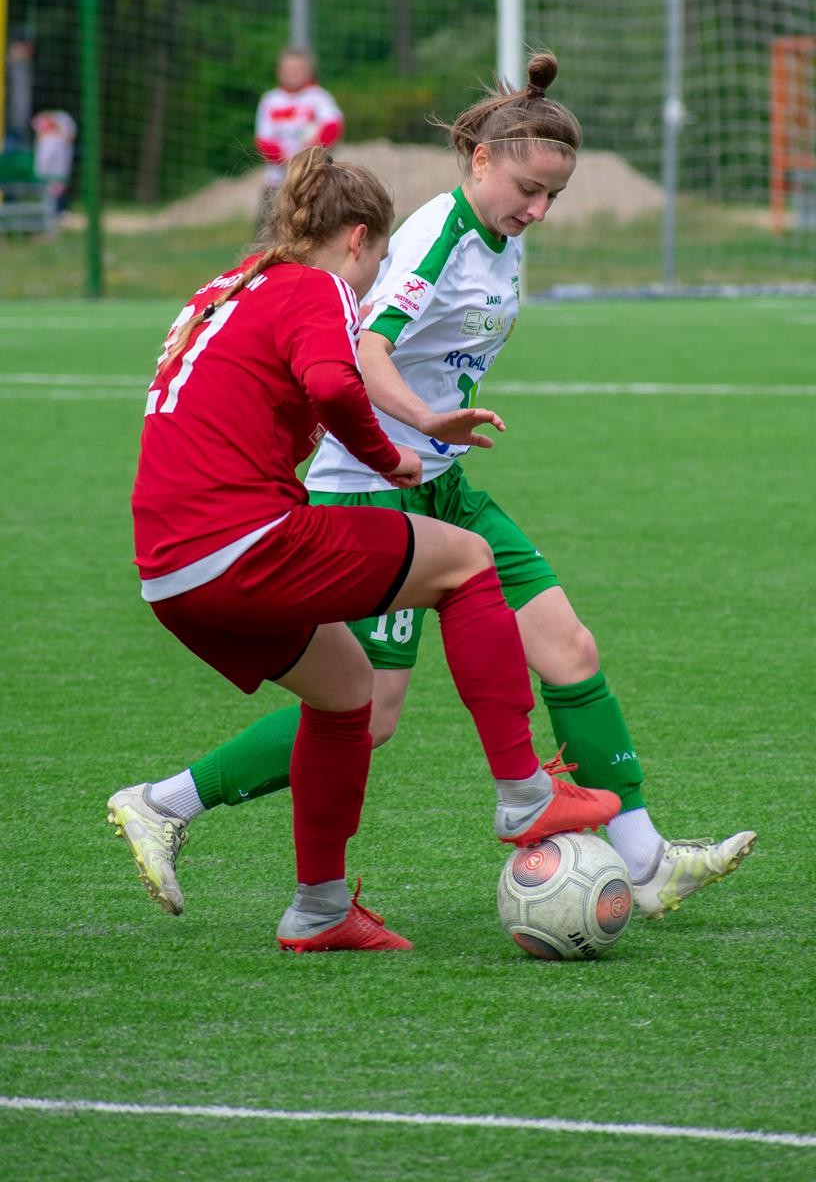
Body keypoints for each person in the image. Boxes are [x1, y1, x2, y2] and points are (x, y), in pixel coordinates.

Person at [110, 53, 756, 924]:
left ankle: (645, 863)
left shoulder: (504, 240)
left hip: (443, 483)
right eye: (528, 188)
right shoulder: (429, 237)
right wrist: (416, 429)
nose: (538, 209)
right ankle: (172, 800)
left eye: (554, 196)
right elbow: (363, 350)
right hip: (372, 485)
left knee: (570, 649)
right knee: (368, 711)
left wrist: (434, 440)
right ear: (480, 161)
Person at [108, 144, 619, 952]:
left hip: (170, 572)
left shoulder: (229, 286)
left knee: (349, 693)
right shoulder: (315, 286)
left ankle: (318, 909)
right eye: (378, 260)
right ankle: (524, 792)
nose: (375, 278)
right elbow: (333, 382)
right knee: (466, 562)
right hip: (243, 541)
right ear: (357, 239)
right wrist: (393, 456)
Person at [253, 46, 343, 227]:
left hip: (313, 180)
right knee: (269, 231)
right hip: (278, 181)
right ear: (279, 71)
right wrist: (287, 161)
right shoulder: (270, 100)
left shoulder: (319, 98)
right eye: (288, 69)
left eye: (298, 69)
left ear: (309, 71)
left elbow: (332, 128)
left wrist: (308, 155)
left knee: (316, 229)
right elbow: (263, 140)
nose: (292, 74)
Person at [31, 110, 77, 214]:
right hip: (47, 170)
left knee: (58, 187)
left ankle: (59, 210)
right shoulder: (45, 140)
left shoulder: (63, 124)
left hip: (57, 169)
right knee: (47, 189)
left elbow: (69, 137)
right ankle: (48, 211)